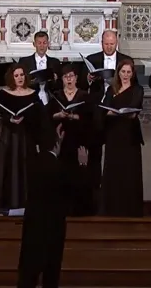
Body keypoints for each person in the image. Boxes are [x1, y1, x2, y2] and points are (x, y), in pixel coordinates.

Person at [17, 125, 89, 288]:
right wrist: (82, 165)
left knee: (28, 276)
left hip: (32, 228)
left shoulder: (32, 163)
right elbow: (78, 190)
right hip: (52, 230)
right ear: (57, 145)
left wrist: (54, 139)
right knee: (50, 276)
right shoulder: (59, 168)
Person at [80, 29, 138, 206]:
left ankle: (116, 186)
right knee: (95, 150)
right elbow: (82, 85)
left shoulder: (126, 61)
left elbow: (134, 86)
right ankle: (94, 187)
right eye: (106, 43)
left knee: (116, 150)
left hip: (118, 111)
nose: (109, 46)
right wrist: (89, 79)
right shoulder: (91, 59)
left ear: (116, 43)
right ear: (101, 43)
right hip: (98, 109)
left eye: (112, 43)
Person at [0, 63, 52, 213]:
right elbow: (2, 112)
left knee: (26, 169)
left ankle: (26, 204)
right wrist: (10, 119)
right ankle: (5, 204)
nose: (19, 78)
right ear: (12, 77)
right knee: (9, 168)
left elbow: (38, 116)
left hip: (27, 136)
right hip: (10, 136)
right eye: (16, 75)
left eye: (21, 75)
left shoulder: (33, 94)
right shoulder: (4, 93)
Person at [99, 59, 144, 217]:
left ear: (133, 74)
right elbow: (104, 107)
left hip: (129, 134)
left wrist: (119, 112)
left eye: (128, 72)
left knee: (129, 171)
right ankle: (111, 207)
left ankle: (130, 208)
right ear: (118, 72)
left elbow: (134, 109)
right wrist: (109, 113)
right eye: (123, 71)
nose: (125, 75)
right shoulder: (112, 89)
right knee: (113, 169)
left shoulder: (138, 89)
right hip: (113, 134)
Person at [50, 64, 93, 215]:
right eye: (66, 77)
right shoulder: (56, 96)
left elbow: (90, 119)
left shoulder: (84, 96)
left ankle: (79, 209)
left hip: (79, 139)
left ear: (76, 78)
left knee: (79, 175)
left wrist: (74, 116)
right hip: (61, 140)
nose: (69, 79)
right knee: (61, 174)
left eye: (71, 76)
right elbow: (48, 117)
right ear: (62, 79)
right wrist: (58, 115)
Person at [18, 31, 61, 106]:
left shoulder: (55, 62)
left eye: (44, 43)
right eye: (39, 43)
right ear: (34, 44)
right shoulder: (24, 62)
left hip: (50, 101)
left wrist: (55, 79)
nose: (42, 46)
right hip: (30, 100)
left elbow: (59, 86)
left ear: (48, 44)